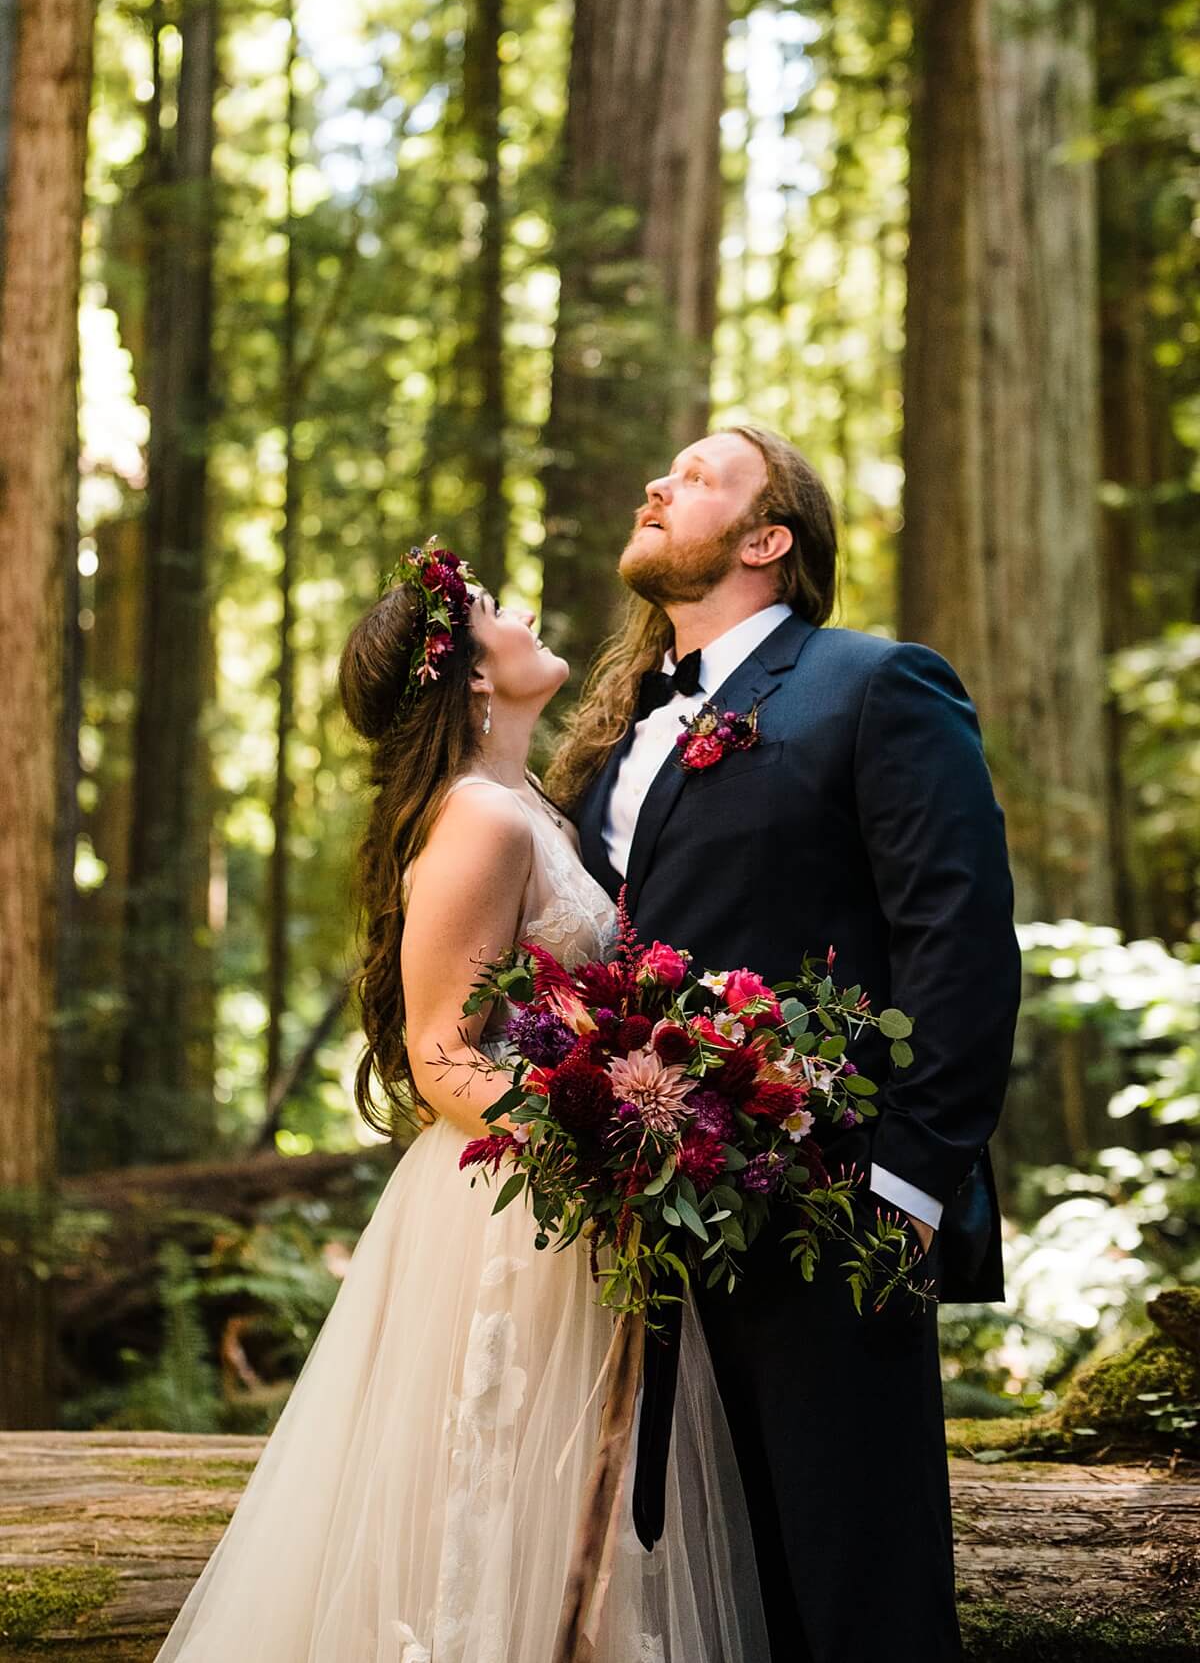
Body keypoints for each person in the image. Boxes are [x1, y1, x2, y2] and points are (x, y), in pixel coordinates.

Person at [153, 543, 768, 1663]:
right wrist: (600, 1139)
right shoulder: (478, 819)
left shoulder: (524, 802)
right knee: (491, 1515)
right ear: (472, 676)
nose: (524, 607)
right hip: (513, 1208)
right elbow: (441, 1055)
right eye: (492, 608)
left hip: (559, 1194)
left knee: (575, 1511)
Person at [552, 423, 1023, 1663]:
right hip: (646, 1241)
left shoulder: (874, 686)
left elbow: (960, 944)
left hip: (833, 1229)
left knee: (857, 1596)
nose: (658, 482)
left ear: (767, 541)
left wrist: (906, 1191)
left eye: (698, 476)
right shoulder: (609, 740)